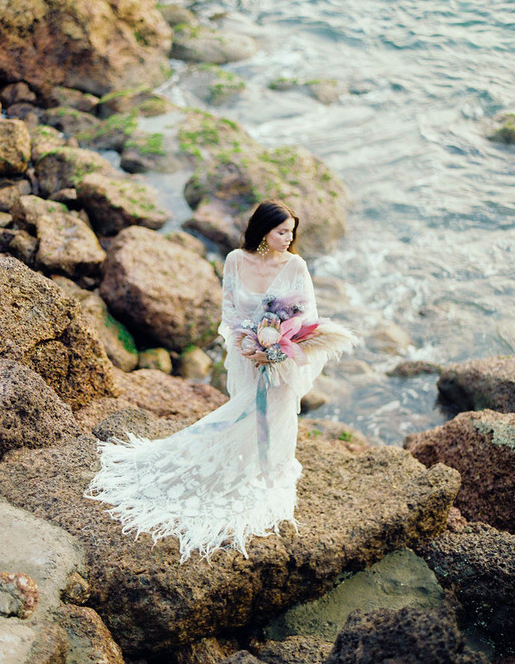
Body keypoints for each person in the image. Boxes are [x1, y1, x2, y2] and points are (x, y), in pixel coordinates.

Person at [86, 200, 355, 562]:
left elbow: (305, 318)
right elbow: (229, 312)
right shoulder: (235, 260)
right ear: (263, 230)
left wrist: (274, 351)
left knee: (273, 412)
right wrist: (248, 343)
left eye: (291, 232)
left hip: (278, 359)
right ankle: (237, 464)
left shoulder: (295, 266)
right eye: (281, 232)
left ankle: (264, 471)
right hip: (247, 352)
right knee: (243, 411)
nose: (288, 239)